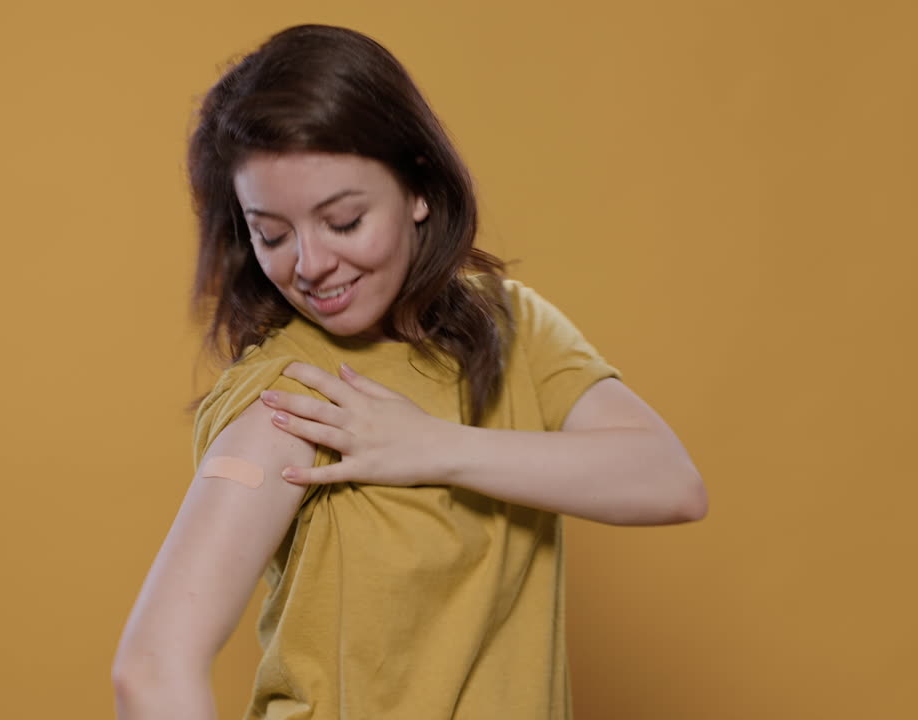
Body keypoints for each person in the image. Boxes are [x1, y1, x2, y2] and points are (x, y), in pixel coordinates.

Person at [112, 23, 707, 720]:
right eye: (271, 234)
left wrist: (432, 446)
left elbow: (671, 484)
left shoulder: (510, 328)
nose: (309, 264)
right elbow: (151, 669)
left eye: (343, 220)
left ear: (418, 187)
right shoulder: (295, 394)